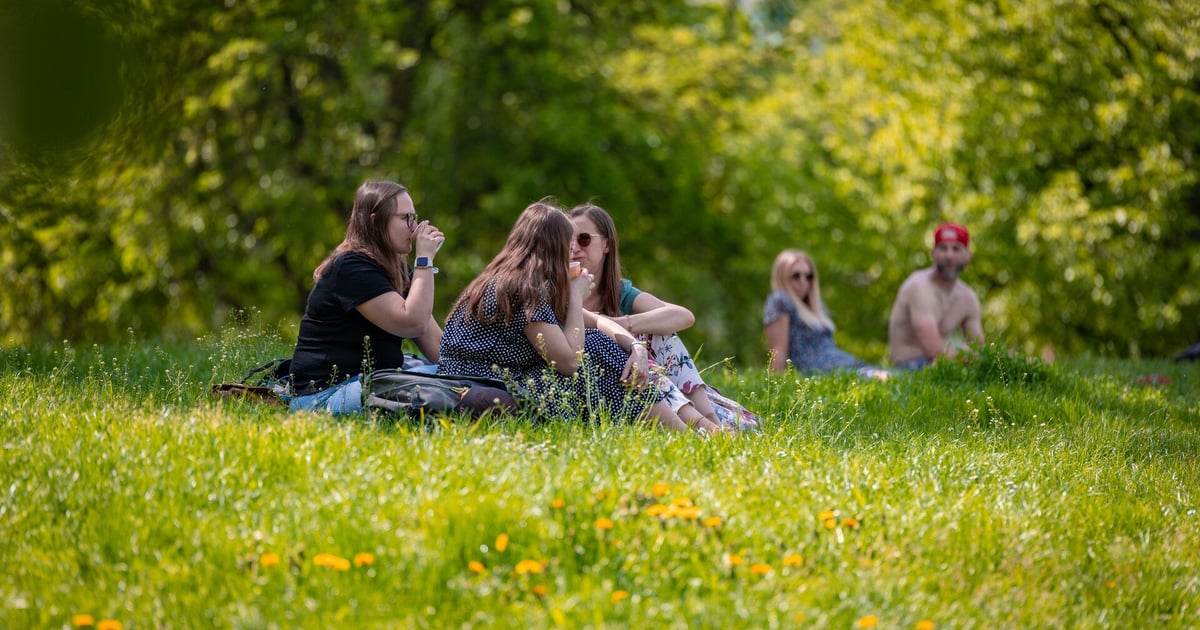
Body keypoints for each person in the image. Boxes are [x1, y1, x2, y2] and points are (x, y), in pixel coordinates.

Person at [438, 201, 720, 434]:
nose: (572, 251)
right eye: (568, 243)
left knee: (600, 342)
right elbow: (570, 362)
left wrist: (635, 348)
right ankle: (685, 432)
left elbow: (596, 321)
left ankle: (688, 426)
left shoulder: (518, 280)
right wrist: (574, 296)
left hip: (493, 379)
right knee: (596, 350)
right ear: (552, 246)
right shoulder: (524, 289)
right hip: (482, 384)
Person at [568, 203, 760, 429]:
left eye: (583, 239)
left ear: (607, 244)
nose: (575, 249)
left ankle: (711, 421)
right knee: (638, 353)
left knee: (660, 334)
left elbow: (682, 316)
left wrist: (622, 324)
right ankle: (708, 429)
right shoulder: (561, 292)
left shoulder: (619, 293)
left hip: (647, 383)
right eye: (568, 241)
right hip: (609, 388)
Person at [288, 180, 445, 413]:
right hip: (322, 396)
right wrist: (425, 261)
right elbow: (412, 323)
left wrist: (481, 373)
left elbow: (437, 347)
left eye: (415, 217)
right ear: (375, 221)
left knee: (457, 381)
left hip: (367, 385)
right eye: (405, 218)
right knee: (442, 388)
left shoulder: (396, 269)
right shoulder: (351, 267)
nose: (414, 228)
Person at [763, 249, 888, 379]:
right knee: (880, 378)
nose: (803, 281)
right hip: (821, 370)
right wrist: (775, 387)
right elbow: (777, 350)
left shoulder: (816, 307)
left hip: (842, 362)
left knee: (893, 376)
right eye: (796, 275)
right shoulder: (780, 301)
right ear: (782, 277)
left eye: (809, 276)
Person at [887, 222, 984, 369]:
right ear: (933, 253)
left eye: (956, 249)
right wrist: (972, 355)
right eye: (943, 248)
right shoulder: (918, 286)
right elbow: (932, 349)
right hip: (909, 366)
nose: (949, 255)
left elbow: (980, 348)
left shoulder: (968, 298)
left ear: (968, 256)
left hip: (943, 366)